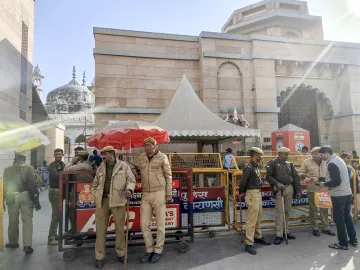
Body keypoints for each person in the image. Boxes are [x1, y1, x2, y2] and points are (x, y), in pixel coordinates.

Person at [91, 146, 136, 269]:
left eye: (105, 154)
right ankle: (99, 256)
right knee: (100, 231)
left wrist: (129, 189)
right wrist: (96, 194)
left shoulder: (123, 166)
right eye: (102, 154)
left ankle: (121, 253)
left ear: (111, 154)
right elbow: (94, 184)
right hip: (102, 202)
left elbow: (131, 180)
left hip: (118, 201)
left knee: (120, 230)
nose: (103, 157)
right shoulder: (100, 167)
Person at [138, 138, 172, 264]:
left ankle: (158, 250)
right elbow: (137, 169)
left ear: (154, 146)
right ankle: (149, 249)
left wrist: (168, 193)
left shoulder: (162, 157)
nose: (146, 147)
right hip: (146, 192)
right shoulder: (141, 157)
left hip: (159, 192)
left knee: (160, 224)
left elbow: (168, 175)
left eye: (149, 145)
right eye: (145, 145)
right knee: (144, 224)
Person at [318, 146, 358, 250]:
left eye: (322, 155)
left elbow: (336, 181)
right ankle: (353, 240)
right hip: (347, 193)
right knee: (347, 216)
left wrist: (323, 184)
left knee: (339, 219)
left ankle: (343, 243)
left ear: (327, 154)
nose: (321, 157)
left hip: (338, 195)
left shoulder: (332, 163)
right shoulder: (339, 159)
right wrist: (320, 179)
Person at [3, 152, 38, 254]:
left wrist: (3, 200)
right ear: (24, 159)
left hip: (11, 196)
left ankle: (13, 242)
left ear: (15, 159)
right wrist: (34, 198)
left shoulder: (7, 170)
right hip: (25, 195)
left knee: (13, 220)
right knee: (27, 220)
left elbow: (4, 186)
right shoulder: (29, 168)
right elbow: (32, 184)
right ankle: (27, 245)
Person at [266, 147, 301, 245]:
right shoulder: (272, 163)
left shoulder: (290, 164)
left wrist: (298, 190)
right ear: (280, 154)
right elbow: (268, 176)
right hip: (279, 189)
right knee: (279, 212)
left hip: (289, 188)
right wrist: (277, 183)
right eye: (285, 154)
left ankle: (286, 231)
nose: (287, 156)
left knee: (287, 211)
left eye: (288, 154)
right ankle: (279, 234)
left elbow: (296, 177)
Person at [239, 147, 271, 255]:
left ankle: (257, 236)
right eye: (259, 155)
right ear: (255, 155)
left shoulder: (255, 166)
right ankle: (249, 243)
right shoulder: (248, 167)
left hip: (257, 193)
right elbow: (243, 182)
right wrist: (242, 192)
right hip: (252, 194)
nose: (261, 157)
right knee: (252, 219)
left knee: (258, 217)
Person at [298, 147, 335, 237]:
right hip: (312, 188)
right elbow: (299, 173)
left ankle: (325, 227)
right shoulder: (306, 162)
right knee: (313, 209)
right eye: (312, 153)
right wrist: (305, 176)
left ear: (321, 154)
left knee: (324, 208)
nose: (314, 155)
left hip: (324, 189)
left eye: (316, 153)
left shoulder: (327, 162)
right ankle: (315, 227)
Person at [64, 150, 94, 232]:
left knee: (72, 210)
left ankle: (76, 230)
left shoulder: (83, 165)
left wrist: (71, 161)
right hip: (82, 190)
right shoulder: (86, 164)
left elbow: (66, 170)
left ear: (79, 157)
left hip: (82, 191)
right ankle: (75, 229)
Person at [47, 148, 66, 245]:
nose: (58, 156)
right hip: (55, 192)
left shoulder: (62, 164)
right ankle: (51, 237)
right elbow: (56, 176)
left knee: (58, 215)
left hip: (60, 191)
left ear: (63, 155)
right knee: (56, 215)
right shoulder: (52, 166)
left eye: (59, 154)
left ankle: (54, 234)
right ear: (54, 155)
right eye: (56, 154)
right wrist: (65, 173)